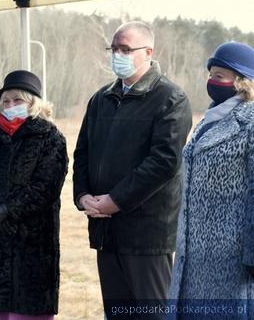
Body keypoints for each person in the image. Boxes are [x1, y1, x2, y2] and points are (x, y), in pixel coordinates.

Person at [72, 21, 192, 318]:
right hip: (106, 231)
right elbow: (83, 152)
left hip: (146, 235)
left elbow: (164, 161)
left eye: (125, 49)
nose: (118, 55)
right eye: (114, 49)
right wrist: (83, 195)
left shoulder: (169, 99)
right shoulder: (101, 98)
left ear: (148, 52)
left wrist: (116, 200)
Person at [0, 70, 68, 320]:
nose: (10, 106)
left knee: (27, 313)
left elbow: (46, 187)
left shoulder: (50, 138)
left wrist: (8, 209)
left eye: (18, 100)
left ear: (33, 104)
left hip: (31, 248)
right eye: (6, 101)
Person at [169, 41, 254, 314]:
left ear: (242, 82)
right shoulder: (209, 120)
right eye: (210, 75)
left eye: (220, 76)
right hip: (193, 257)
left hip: (231, 262)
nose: (212, 81)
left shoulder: (250, 123)